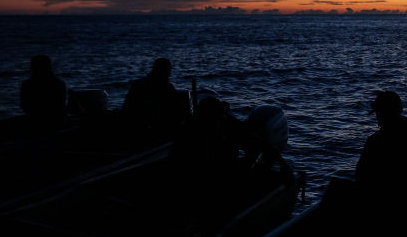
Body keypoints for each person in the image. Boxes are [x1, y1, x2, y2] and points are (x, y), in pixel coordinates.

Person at [167, 96, 295, 190]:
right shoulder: (189, 131)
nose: (220, 119)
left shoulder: (229, 124)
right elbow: (177, 164)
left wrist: (283, 164)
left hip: (224, 176)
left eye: (221, 115)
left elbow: (261, 144)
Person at [355, 90, 407, 206]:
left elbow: (361, 175)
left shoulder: (375, 140)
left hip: (383, 201)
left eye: (381, 113)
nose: (378, 117)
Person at [122, 58, 179, 131]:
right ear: (167, 74)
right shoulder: (169, 90)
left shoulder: (138, 85)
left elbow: (126, 111)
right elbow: (173, 117)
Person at [19, 55, 67, 128]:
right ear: (50, 68)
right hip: (56, 123)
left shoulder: (27, 84)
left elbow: (24, 106)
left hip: (36, 123)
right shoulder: (59, 84)